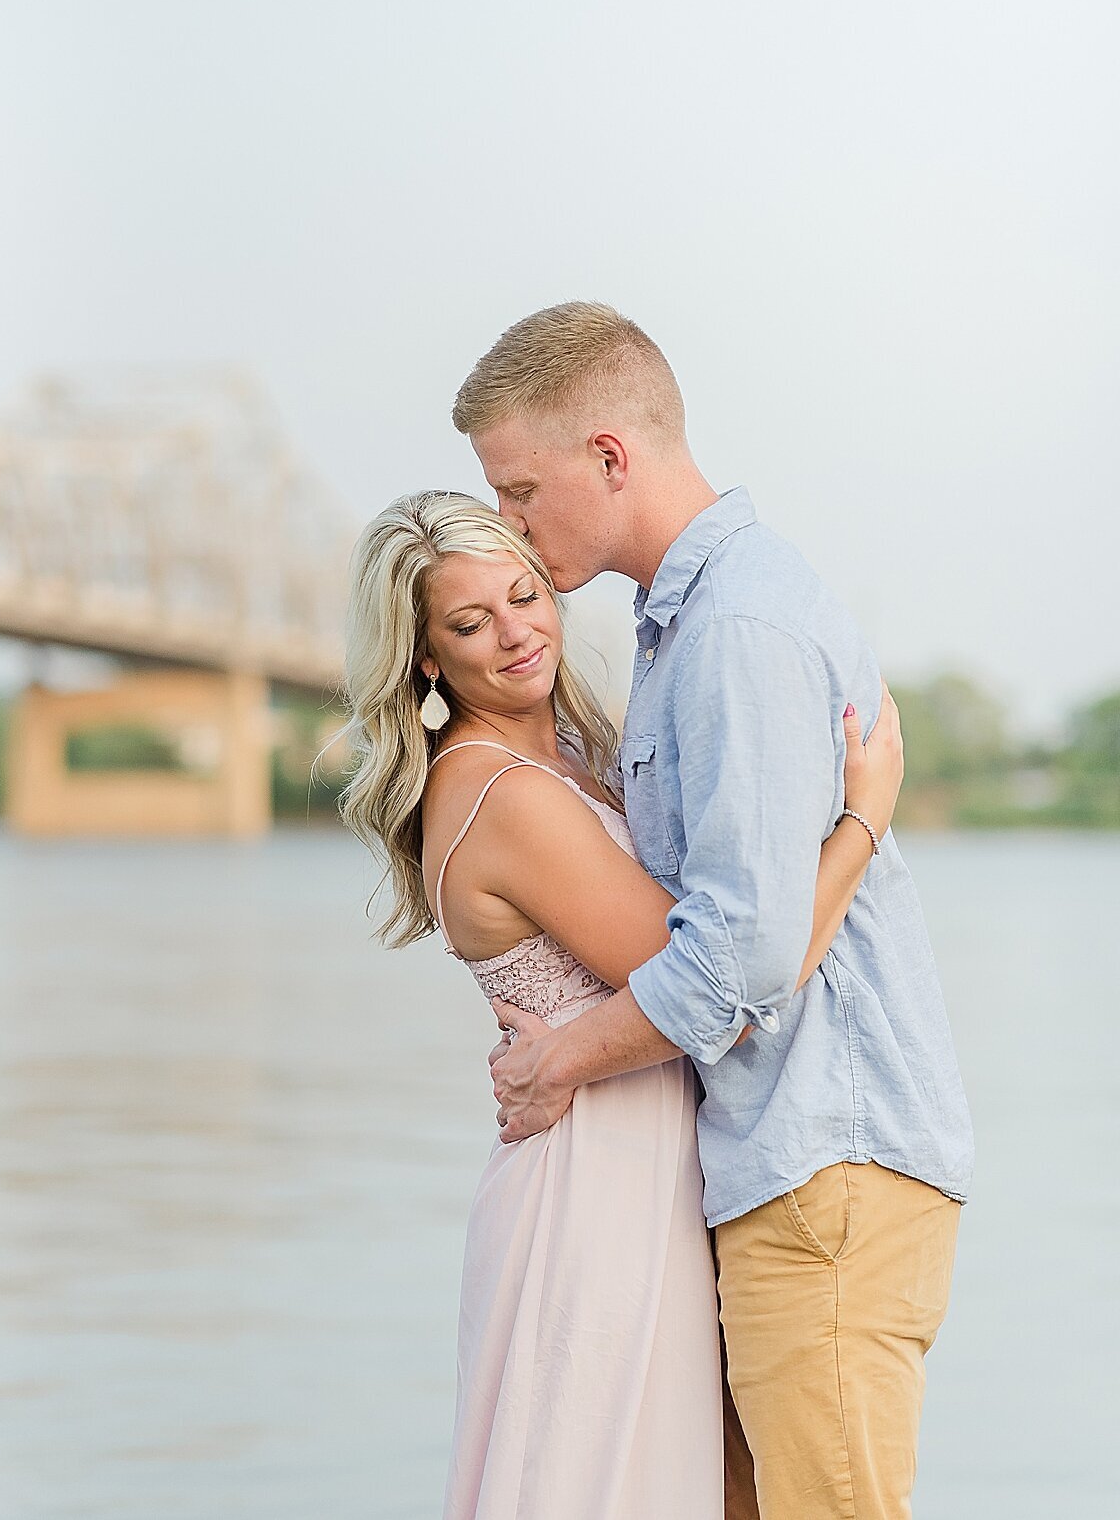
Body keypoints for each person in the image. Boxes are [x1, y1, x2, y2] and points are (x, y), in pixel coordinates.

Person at [456, 301, 975, 1520]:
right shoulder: (684, 620)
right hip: (787, 1162)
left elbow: (740, 949)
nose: (510, 525)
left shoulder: (735, 624)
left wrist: (562, 1061)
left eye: (520, 488)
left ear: (611, 457)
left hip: (826, 1164)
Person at [340, 490, 904, 1520]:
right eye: (470, 624)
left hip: (655, 1168)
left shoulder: (574, 763)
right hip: (593, 1194)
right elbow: (729, 990)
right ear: (424, 657)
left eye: (523, 596)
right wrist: (863, 821)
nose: (515, 633)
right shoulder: (502, 792)